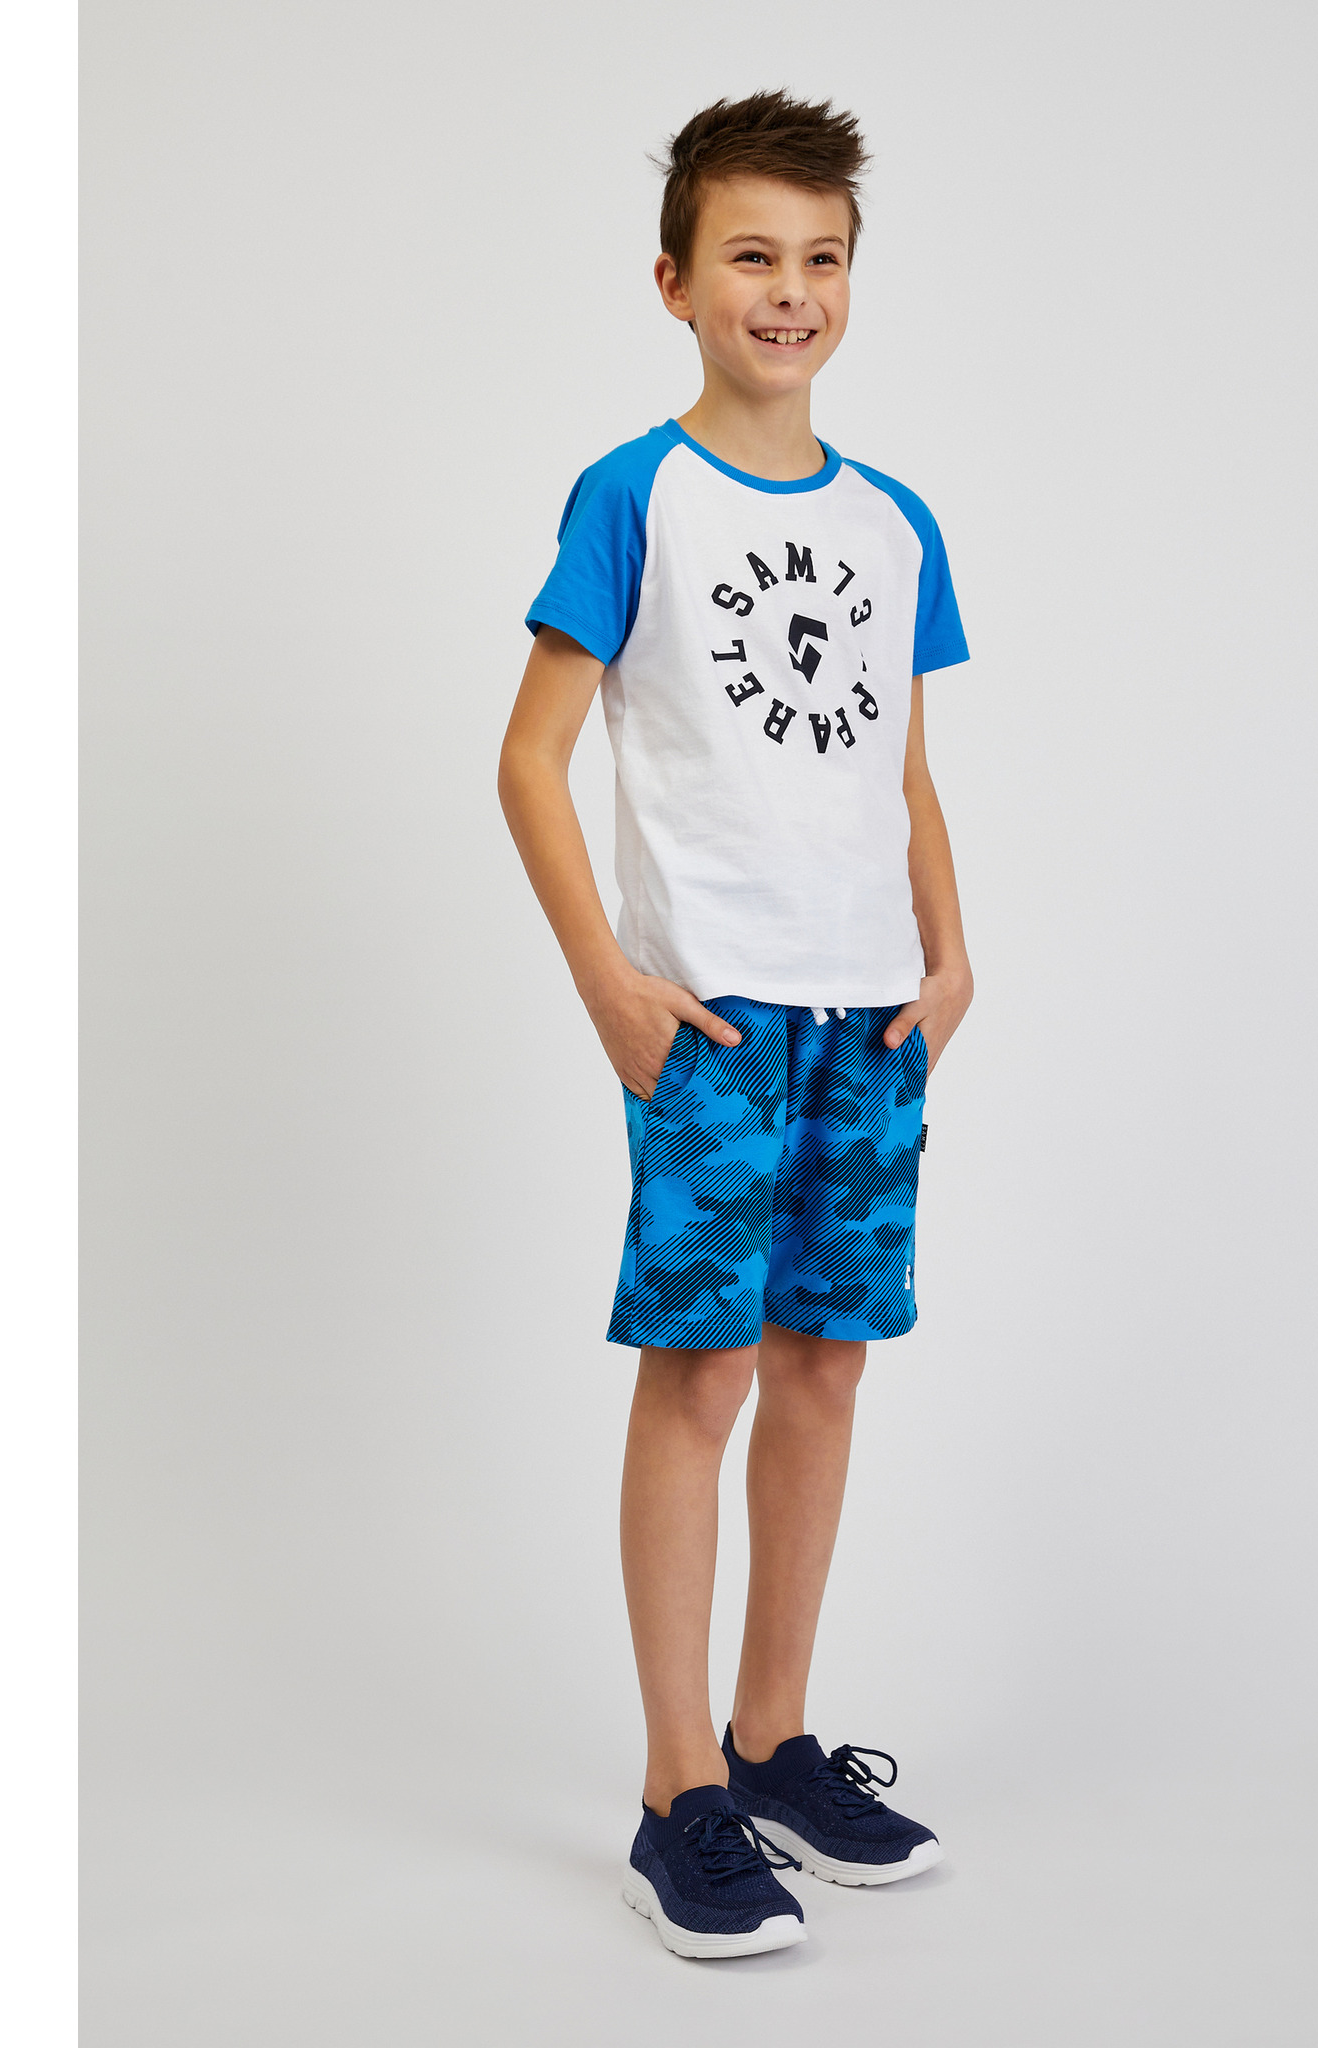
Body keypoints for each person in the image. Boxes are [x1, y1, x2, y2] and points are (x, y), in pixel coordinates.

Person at [498, 89, 973, 1959]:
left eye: (821, 258)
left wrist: (952, 959)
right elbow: (530, 759)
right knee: (702, 1375)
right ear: (676, 282)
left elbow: (903, 771)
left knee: (826, 1365)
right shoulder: (637, 495)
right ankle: (678, 1787)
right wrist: (608, 983)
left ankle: (775, 1743)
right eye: (753, 257)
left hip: (872, 1014)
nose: (791, 291)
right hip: (710, 1014)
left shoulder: (895, 522)